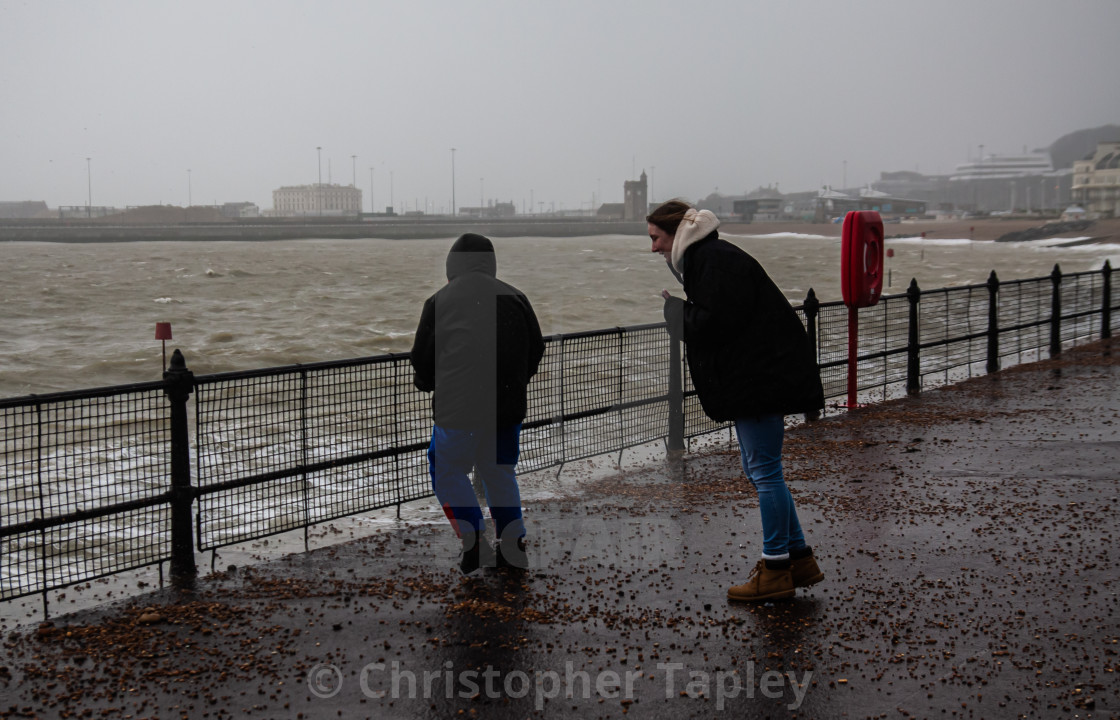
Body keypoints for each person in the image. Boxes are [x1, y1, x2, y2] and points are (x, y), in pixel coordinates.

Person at [648, 200, 825, 602]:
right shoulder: (713, 257)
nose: (654, 248)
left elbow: (715, 324)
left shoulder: (710, 262)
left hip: (759, 380)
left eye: (656, 238)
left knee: (764, 472)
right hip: (762, 376)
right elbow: (729, 319)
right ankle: (798, 559)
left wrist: (675, 313)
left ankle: (776, 567)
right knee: (761, 468)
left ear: (676, 234)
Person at [410, 233, 545, 574]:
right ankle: (513, 548)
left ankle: (474, 545)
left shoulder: (439, 301)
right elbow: (536, 349)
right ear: (490, 262)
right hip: (506, 408)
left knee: (447, 470)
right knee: (499, 473)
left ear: (452, 266)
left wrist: (427, 383)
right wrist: (515, 383)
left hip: (459, 411)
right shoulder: (516, 298)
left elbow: (422, 359)